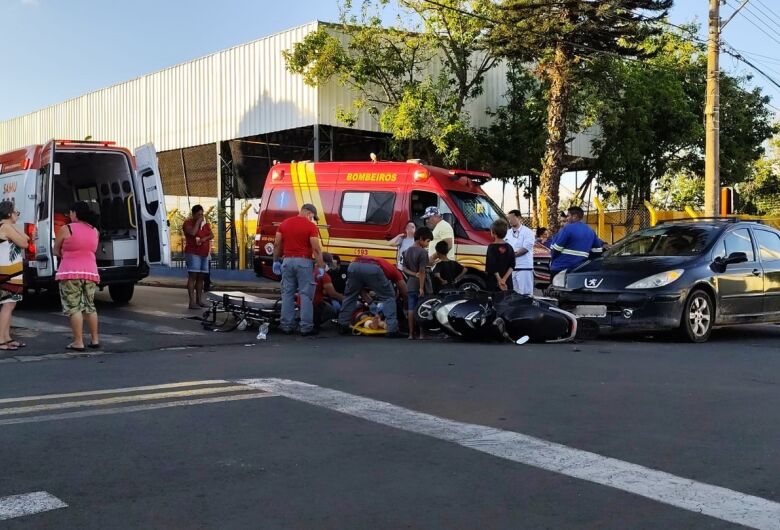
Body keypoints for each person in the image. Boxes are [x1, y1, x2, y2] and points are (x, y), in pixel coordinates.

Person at [53, 201, 101, 352]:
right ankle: (95, 340)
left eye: (71, 212)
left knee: (74, 307)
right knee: (90, 307)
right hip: (91, 272)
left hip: (70, 272)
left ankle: (78, 341)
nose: (69, 215)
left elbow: (55, 250)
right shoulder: (95, 231)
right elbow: (92, 249)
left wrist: (66, 255)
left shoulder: (66, 229)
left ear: (75, 213)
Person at [273, 203, 325, 336]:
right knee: (306, 295)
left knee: (287, 294)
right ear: (309, 213)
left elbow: (277, 244)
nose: (312, 219)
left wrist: (275, 261)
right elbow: (316, 248)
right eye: (313, 216)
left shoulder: (284, 224)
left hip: (287, 261)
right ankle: (306, 327)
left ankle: (286, 326)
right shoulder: (310, 226)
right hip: (304, 262)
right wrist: (321, 265)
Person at [337, 255, 408, 337]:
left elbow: (359, 290)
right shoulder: (395, 271)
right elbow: (404, 290)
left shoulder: (382, 262)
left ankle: (343, 325)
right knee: (388, 297)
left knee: (350, 296)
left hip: (354, 265)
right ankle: (392, 330)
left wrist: (370, 303)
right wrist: (407, 303)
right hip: (372, 268)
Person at [0, 201, 30, 352]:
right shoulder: (5, 227)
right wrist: (12, 224)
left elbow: (26, 238)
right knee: (8, 305)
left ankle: (7, 337)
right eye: (15, 212)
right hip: (8, 271)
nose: (17, 214)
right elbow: (24, 242)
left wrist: (14, 224)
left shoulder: (7, 226)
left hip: (10, 270)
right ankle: (1, 339)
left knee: (10, 304)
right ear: (8, 213)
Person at [549, 206, 604, 276]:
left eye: (568, 216)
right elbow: (598, 251)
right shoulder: (590, 230)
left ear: (574, 216)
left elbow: (556, 249)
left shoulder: (567, 228)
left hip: (560, 268)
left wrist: (553, 261)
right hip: (580, 270)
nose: (567, 218)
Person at [402, 226, 433, 339]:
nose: (428, 244)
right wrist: (421, 287)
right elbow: (422, 271)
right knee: (422, 308)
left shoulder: (406, 251)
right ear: (421, 238)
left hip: (410, 283)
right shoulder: (423, 252)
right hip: (421, 284)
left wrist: (413, 274)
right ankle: (421, 334)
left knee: (411, 308)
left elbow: (404, 268)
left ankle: (410, 334)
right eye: (428, 241)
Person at [183, 205, 213, 309]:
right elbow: (192, 232)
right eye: (199, 214)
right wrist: (198, 222)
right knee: (193, 276)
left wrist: (204, 238)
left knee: (201, 277)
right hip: (193, 253)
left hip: (204, 253)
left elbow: (211, 235)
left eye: (202, 214)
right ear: (194, 214)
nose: (201, 216)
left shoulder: (205, 224)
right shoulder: (188, 223)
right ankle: (192, 302)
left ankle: (199, 300)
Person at [505, 210, 536, 296]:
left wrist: (511, 256)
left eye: (511, 218)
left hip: (524, 268)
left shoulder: (528, 232)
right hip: (511, 269)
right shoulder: (507, 233)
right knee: (513, 295)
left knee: (526, 295)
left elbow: (525, 248)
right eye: (508, 218)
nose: (509, 220)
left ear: (519, 218)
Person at [313, 253, 344, 330]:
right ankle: (316, 322)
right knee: (333, 310)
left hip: (303, 301)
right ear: (326, 263)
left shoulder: (309, 270)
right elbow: (332, 294)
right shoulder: (324, 275)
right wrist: (345, 299)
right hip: (315, 303)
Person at [485, 219, 515, 292]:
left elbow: (492, 266)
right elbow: (512, 265)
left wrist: (500, 280)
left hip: (494, 282)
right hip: (507, 282)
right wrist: (504, 279)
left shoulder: (491, 247)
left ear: (494, 233)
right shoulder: (510, 247)